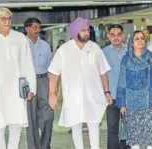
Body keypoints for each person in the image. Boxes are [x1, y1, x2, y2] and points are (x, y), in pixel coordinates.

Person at [48, 17, 113, 149]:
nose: (87, 33)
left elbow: (103, 72)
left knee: (94, 124)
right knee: (75, 126)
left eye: (87, 30)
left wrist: (107, 91)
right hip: (73, 97)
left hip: (93, 96)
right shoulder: (64, 50)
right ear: (75, 32)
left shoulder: (94, 48)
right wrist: (52, 93)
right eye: (83, 30)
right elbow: (54, 74)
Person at [0, 7, 36, 149]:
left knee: (16, 127)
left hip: (17, 91)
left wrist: (32, 88)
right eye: (3, 19)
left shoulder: (20, 38)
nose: (7, 21)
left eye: (9, 18)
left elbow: (28, 64)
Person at [117, 30, 152, 149]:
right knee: (134, 138)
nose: (140, 41)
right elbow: (121, 82)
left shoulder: (151, 57)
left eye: (142, 38)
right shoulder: (126, 60)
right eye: (137, 38)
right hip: (130, 104)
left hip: (149, 102)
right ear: (132, 43)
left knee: (150, 138)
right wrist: (122, 103)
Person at [24, 17, 54, 149]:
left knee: (48, 116)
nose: (38, 30)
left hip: (43, 81)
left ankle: (45, 145)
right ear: (27, 28)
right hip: (27, 83)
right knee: (31, 119)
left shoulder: (45, 46)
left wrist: (51, 87)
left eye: (39, 28)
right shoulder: (22, 44)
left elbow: (50, 67)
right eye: (35, 28)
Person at [103, 24, 130, 149]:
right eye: (113, 35)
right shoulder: (103, 53)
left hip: (128, 97)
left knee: (128, 128)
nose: (116, 37)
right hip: (112, 97)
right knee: (112, 129)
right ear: (108, 36)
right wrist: (105, 92)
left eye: (119, 34)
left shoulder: (130, 51)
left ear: (123, 36)